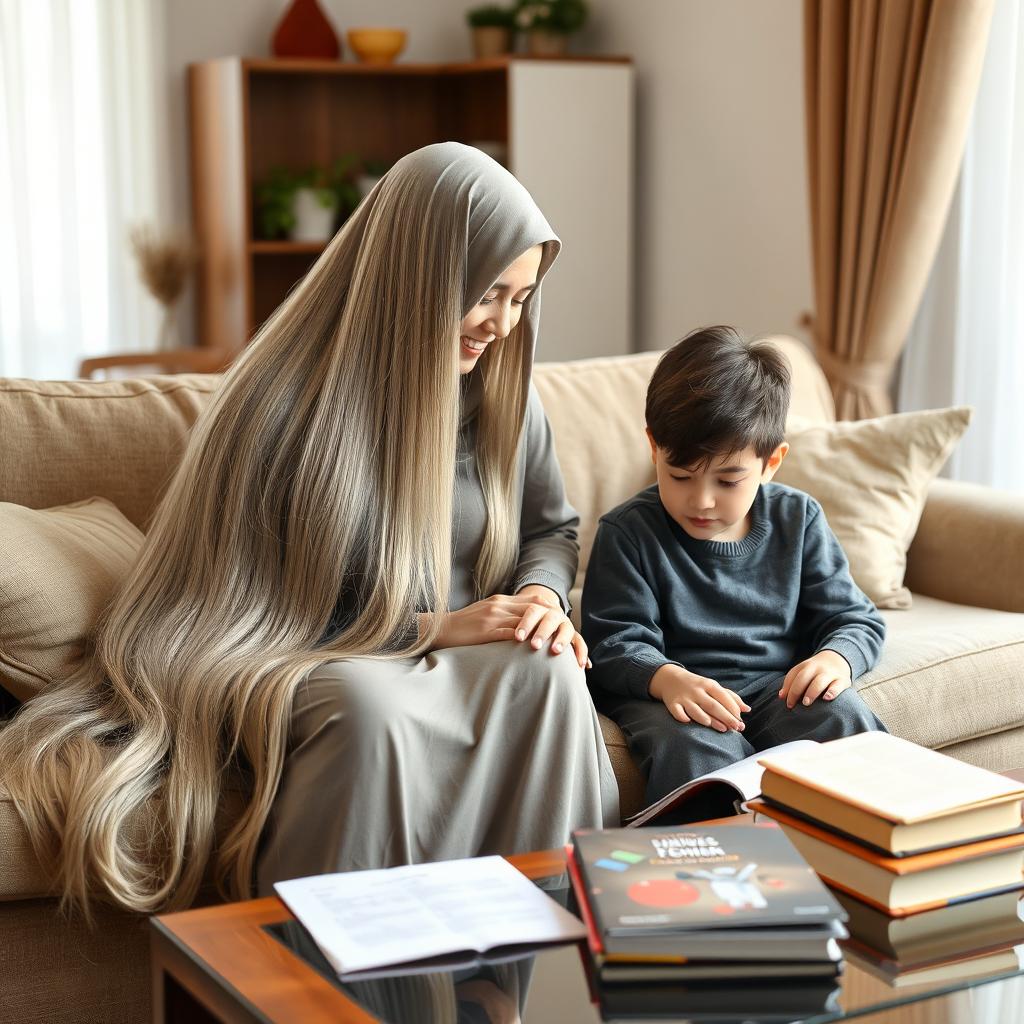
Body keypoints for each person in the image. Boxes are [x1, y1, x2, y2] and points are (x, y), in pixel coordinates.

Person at [0, 142, 618, 916]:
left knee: (554, 677)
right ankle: (344, 987)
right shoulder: (280, 404)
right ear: (423, 272)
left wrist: (539, 598)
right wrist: (437, 626)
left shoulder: (501, 394)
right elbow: (247, 604)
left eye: (522, 298)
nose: (502, 323)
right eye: (488, 293)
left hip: (464, 646)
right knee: (371, 715)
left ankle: (520, 972)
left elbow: (551, 532)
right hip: (310, 651)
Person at [582, 326, 886, 807]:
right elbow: (615, 643)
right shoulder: (628, 532)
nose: (701, 500)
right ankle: (711, 871)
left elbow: (853, 618)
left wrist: (836, 659)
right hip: (670, 691)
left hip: (772, 689)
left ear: (771, 463)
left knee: (842, 718)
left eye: (728, 480)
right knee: (696, 749)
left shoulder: (798, 519)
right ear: (653, 448)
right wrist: (667, 678)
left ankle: (864, 858)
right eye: (679, 476)